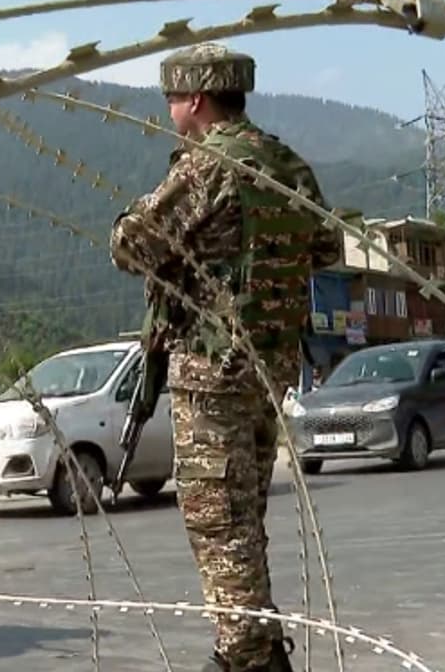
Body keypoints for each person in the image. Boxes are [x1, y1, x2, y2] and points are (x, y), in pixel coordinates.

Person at [108, 43, 341, 672]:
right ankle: (259, 645)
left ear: (197, 100)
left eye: (172, 100)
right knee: (245, 513)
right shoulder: (286, 164)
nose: (169, 112)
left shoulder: (205, 166)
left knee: (218, 520)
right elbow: (325, 248)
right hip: (270, 368)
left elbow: (130, 245)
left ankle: (244, 657)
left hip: (212, 367)